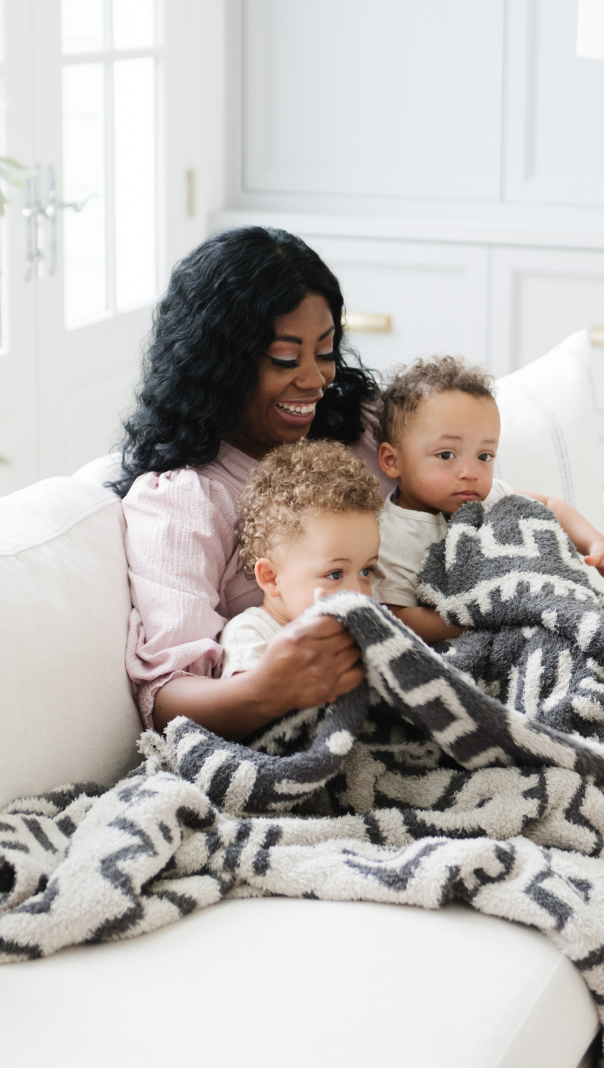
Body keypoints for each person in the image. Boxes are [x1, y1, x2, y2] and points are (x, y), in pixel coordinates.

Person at [114, 226, 392, 740]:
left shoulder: (366, 427)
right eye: (285, 359)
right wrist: (269, 688)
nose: (315, 380)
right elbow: (169, 698)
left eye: (326, 352)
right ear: (218, 365)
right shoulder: (185, 500)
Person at [372, 356, 604, 645]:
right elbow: (397, 616)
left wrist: (598, 547)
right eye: (446, 455)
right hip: (474, 644)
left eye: (484, 456)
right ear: (393, 461)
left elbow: (551, 508)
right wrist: (493, 618)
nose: (470, 473)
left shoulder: (491, 501)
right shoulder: (389, 535)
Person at [219, 439, 383, 679]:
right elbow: (252, 704)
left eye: (366, 571)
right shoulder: (251, 632)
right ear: (271, 577)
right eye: (335, 574)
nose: (358, 593)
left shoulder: (361, 625)